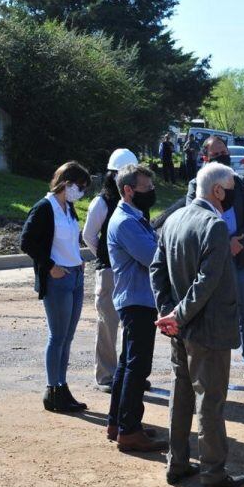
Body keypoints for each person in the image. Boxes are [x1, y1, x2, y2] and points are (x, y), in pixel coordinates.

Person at [151, 163, 244, 487]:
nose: (235, 192)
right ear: (217, 191)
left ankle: (176, 464)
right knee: (210, 401)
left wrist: (169, 312)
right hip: (206, 330)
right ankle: (212, 472)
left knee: (181, 396)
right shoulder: (214, 225)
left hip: (181, 329)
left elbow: (157, 270)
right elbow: (206, 282)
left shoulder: (173, 219)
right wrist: (175, 315)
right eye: (232, 186)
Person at [186, 136, 244, 384]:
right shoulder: (196, 185)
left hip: (241, 259)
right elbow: (192, 218)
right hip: (209, 262)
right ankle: (208, 367)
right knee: (210, 312)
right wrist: (220, 245)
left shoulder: (243, 184)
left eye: (224, 152)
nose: (222, 157)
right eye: (216, 154)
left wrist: (239, 241)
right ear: (206, 158)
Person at [105, 164, 168, 452]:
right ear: (128, 191)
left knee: (127, 364)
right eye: (146, 188)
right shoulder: (126, 222)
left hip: (138, 300)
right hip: (137, 302)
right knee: (137, 366)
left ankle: (118, 422)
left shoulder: (134, 217)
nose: (151, 192)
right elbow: (153, 257)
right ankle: (129, 430)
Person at [20, 161, 91, 413]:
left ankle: (62, 386)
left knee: (68, 337)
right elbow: (26, 242)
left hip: (75, 276)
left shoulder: (68, 207)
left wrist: (77, 259)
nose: (81, 192)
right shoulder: (44, 207)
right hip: (57, 278)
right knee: (57, 336)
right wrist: (50, 266)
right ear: (67, 183)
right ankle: (52, 389)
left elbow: (70, 238)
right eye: (80, 186)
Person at [82, 148, 148, 394]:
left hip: (132, 272)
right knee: (108, 324)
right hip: (109, 271)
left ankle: (130, 373)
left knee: (132, 325)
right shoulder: (101, 202)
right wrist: (107, 252)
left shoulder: (138, 202)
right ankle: (106, 375)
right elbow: (89, 235)